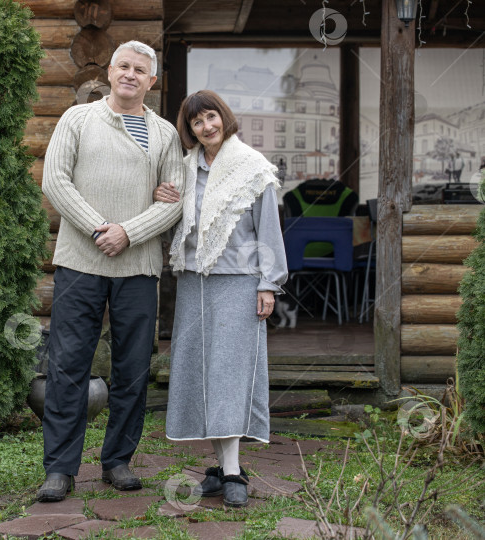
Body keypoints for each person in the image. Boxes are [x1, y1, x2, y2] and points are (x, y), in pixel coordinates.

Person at [37, 41, 184, 502]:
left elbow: (175, 201)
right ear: (110, 70)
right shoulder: (77, 119)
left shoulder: (164, 134)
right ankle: (60, 469)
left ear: (151, 81)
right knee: (68, 365)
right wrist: (100, 229)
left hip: (137, 266)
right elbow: (55, 180)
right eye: (124, 66)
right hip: (80, 262)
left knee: (133, 368)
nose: (130, 75)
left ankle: (118, 460)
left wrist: (128, 233)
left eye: (140, 70)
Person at [153, 90, 287, 507]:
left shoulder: (252, 167)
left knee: (228, 375)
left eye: (211, 117)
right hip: (194, 281)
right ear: (190, 130)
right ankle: (223, 469)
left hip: (239, 283)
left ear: (223, 117)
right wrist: (162, 200)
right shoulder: (186, 169)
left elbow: (268, 229)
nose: (206, 126)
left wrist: (268, 283)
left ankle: (232, 473)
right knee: (201, 374)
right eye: (197, 122)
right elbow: (176, 227)